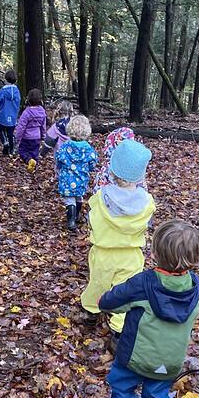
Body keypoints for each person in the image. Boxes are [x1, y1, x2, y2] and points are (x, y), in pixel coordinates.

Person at [100, 220, 199, 398]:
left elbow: (110, 302)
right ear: (195, 257)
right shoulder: (197, 289)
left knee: (122, 381)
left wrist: (106, 300)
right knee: (158, 395)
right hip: (169, 361)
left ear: (155, 251)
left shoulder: (143, 284)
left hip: (134, 356)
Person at [80, 139, 155, 333]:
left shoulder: (101, 198)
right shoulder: (147, 202)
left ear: (111, 170)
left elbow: (92, 220)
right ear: (140, 175)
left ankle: (91, 311)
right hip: (131, 257)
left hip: (103, 254)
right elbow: (148, 224)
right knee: (127, 292)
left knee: (98, 283)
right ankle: (119, 329)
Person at [55, 115, 98, 231]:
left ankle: (71, 220)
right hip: (81, 178)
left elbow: (59, 158)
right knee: (79, 197)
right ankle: (76, 216)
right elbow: (93, 162)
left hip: (67, 178)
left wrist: (59, 168)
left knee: (70, 199)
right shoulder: (88, 148)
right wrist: (88, 168)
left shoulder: (65, 146)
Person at [93, 127, 135, 192]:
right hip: (129, 200)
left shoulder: (107, 168)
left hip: (109, 200)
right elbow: (141, 190)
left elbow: (98, 191)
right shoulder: (135, 169)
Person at [15, 88, 46, 173]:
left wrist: (17, 137)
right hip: (37, 137)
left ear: (28, 100)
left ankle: (29, 161)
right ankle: (34, 168)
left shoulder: (27, 112)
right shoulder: (42, 111)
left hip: (26, 137)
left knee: (22, 151)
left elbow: (21, 126)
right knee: (34, 152)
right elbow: (43, 125)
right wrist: (43, 136)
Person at [0, 70, 21, 155]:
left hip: (3, 114)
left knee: (0, 129)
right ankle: (11, 149)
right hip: (13, 116)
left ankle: (5, 142)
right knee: (10, 132)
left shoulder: (3, 90)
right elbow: (18, 102)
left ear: (6, 79)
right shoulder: (17, 91)